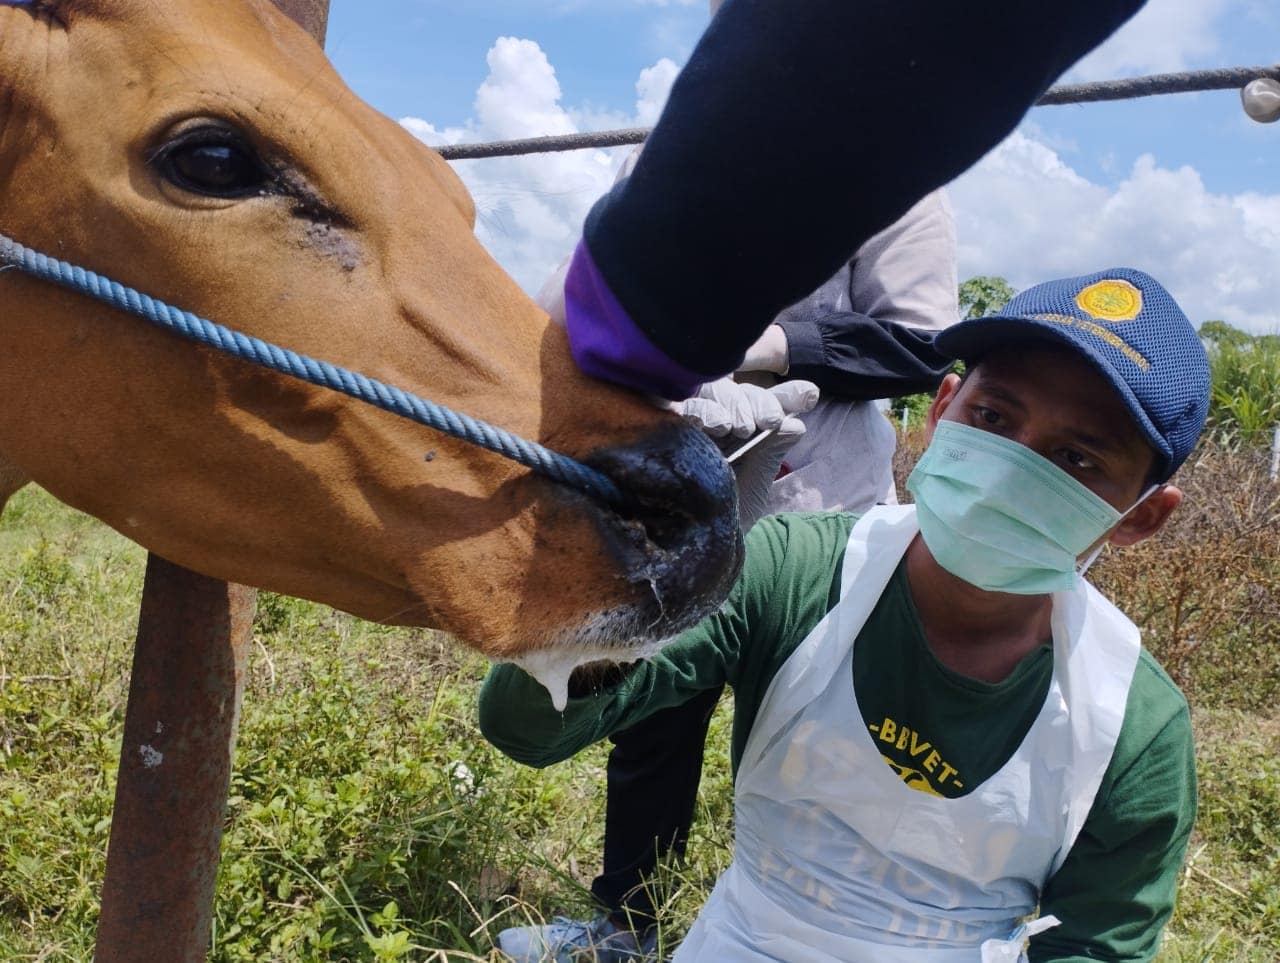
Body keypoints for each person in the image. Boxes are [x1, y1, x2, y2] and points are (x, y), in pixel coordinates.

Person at [481, 268, 1207, 962]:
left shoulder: (1131, 726)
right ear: (943, 408)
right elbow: (524, 729)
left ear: (1143, 516)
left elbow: (1093, 944)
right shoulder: (797, 572)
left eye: (1076, 458)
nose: (1009, 467)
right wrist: (645, 572)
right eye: (992, 416)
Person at [498, 184, 959, 961]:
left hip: (819, 507)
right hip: (677, 485)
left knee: (814, 734)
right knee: (652, 719)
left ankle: (816, 936)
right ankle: (626, 927)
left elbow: (920, 343)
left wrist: (769, 347)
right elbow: (587, 282)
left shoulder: (897, 174)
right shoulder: (679, 143)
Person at [559, 0, 1149, 402]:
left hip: (819, 488)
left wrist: (786, 347)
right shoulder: (648, 164)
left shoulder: (909, 197)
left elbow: (924, 348)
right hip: (667, 447)